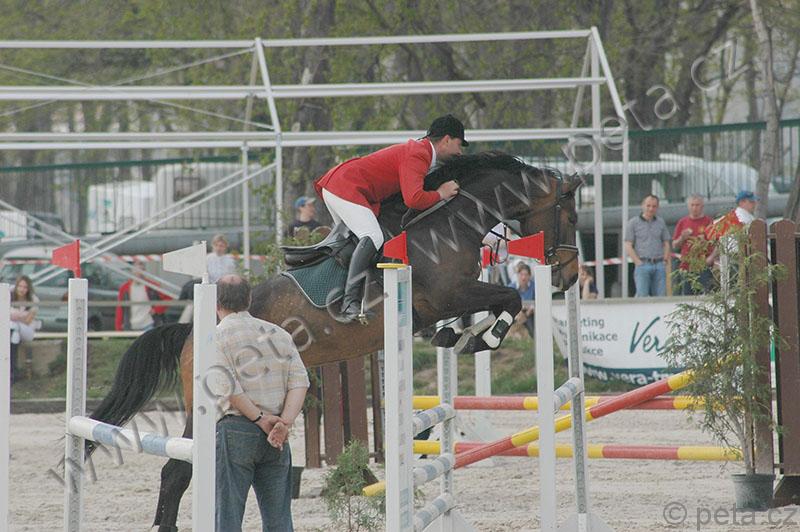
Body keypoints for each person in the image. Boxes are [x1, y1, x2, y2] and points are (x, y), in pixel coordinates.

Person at [314, 114, 467, 322]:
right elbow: (414, 199)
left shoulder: (420, 152)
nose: (460, 152)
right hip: (346, 186)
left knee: (356, 242)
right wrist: (441, 193)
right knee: (373, 237)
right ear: (447, 140)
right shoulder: (419, 154)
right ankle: (349, 303)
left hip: (341, 184)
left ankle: (338, 294)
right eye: (459, 144)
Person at [210, 274, 309, 532]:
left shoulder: (215, 337)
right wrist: (284, 423)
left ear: (216, 303)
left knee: (228, 515)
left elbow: (228, 387)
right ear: (249, 299)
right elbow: (300, 382)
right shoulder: (279, 334)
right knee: (279, 519)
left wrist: (259, 418)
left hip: (237, 428)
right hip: (277, 433)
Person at [624, 194, 672, 297]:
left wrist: (665, 260)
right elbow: (628, 244)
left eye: (654, 206)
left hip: (659, 264)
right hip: (643, 264)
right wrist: (637, 262)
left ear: (657, 207)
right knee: (642, 296)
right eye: (648, 205)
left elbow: (666, 242)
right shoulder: (633, 223)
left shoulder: (661, 222)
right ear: (642, 206)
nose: (651, 209)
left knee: (661, 296)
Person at [672, 195, 714, 295]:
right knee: (687, 296)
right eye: (692, 205)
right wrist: (682, 238)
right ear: (688, 206)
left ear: (702, 206)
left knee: (706, 295)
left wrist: (710, 256)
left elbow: (717, 243)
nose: (694, 208)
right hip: (687, 266)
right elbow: (674, 245)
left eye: (697, 205)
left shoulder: (709, 222)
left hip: (703, 266)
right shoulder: (683, 222)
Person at [114, 260, 171, 331]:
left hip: (149, 324)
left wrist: (157, 309)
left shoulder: (151, 286)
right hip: (131, 326)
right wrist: (118, 328)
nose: (139, 274)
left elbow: (168, 298)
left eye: (141, 271)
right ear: (132, 271)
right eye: (136, 270)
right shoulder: (124, 288)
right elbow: (120, 309)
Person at [9, 275, 39, 384]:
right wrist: (18, 317)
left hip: (27, 330)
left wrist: (14, 317)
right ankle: (12, 371)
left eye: (25, 287)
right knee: (14, 332)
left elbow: (28, 320)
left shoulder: (33, 300)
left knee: (14, 326)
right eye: (20, 286)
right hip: (13, 330)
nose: (22, 289)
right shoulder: (9, 297)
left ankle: (13, 370)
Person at [508, 262, 535, 338]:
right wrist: (518, 313)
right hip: (516, 313)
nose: (523, 277)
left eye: (526, 275)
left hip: (529, 313)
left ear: (529, 276)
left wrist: (527, 314)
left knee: (532, 329)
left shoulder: (534, 286)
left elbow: (536, 302)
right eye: (521, 274)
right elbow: (508, 304)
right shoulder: (511, 287)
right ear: (517, 275)